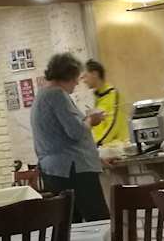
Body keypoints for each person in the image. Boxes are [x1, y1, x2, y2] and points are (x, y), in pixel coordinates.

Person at [31, 53, 110, 222]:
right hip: (73, 170)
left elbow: (60, 136)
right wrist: (91, 119)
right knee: (99, 220)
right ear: (68, 75)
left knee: (72, 224)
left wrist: (96, 158)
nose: (77, 83)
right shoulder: (57, 95)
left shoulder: (42, 95)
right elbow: (76, 131)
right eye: (76, 78)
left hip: (55, 170)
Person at [80, 59, 128, 148]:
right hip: (103, 147)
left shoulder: (113, 95)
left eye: (85, 76)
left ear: (95, 74)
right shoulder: (98, 97)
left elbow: (112, 126)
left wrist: (96, 144)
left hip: (116, 148)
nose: (84, 80)